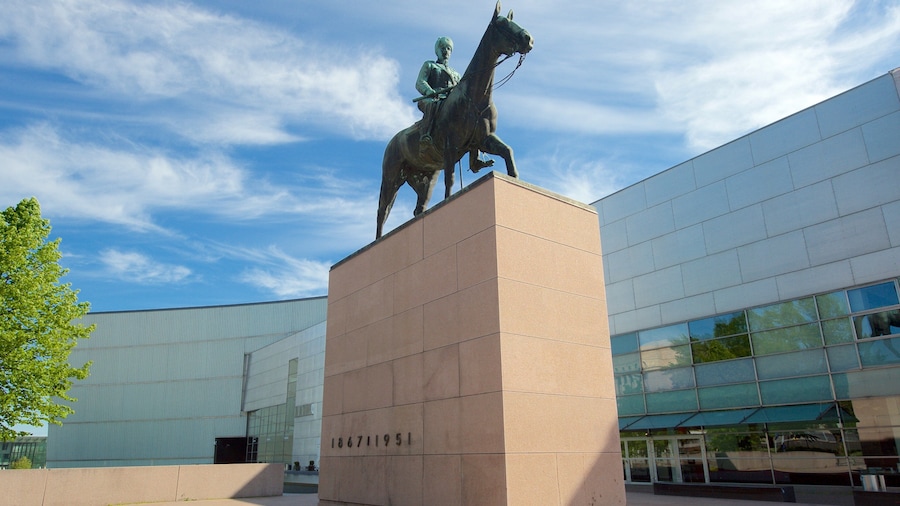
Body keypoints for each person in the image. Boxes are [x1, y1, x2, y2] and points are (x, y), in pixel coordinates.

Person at [415, 37, 492, 172]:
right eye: (443, 48)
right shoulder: (430, 65)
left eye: (448, 49)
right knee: (434, 105)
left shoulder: (456, 74)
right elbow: (420, 82)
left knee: (471, 118)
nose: (445, 51)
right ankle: (426, 137)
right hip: (432, 99)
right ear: (437, 51)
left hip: (449, 102)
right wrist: (430, 91)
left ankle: (475, 159)